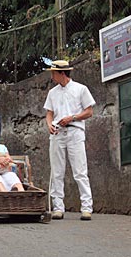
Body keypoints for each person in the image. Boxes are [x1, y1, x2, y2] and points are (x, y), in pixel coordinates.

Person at [43, 60, 95, 221]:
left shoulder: (81, 89)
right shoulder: (53, 92)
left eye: (54, 73)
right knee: (57, 171)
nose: (52, 76)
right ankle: (58, 207)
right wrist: (49, 125)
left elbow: (89, 111)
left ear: (62, 73)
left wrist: (72, 117)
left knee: (80, 170)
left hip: (75, 131)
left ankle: (86, 207)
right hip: (58, 132)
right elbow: (49, 113)